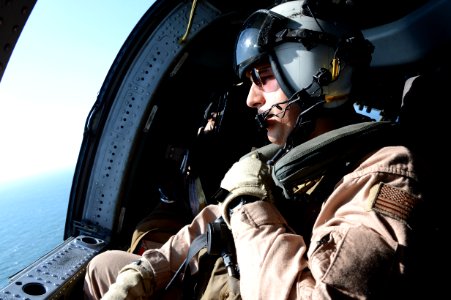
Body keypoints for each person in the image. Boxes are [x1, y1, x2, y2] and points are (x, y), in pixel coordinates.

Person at [84, 0, 428, 299]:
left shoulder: (383, 175)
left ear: (315, 70)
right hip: (225, 280)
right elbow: (215, 219)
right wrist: (145, 273)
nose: (251, 99)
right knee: (105, 268)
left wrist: (250, 203)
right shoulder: (294, 160)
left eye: (263, 77)